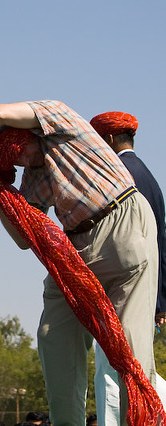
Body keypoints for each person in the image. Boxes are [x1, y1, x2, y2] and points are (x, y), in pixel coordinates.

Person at [0, 100, 158, 424]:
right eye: (15, 160)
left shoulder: (59, 119)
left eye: (21, 148)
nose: (25, 159)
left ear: (26, 131)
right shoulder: (33, 176)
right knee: (52, 334)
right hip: (74, 249)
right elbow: (22, 239)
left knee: (130, 343)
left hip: (121, 223)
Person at [89, 111, 166, 423]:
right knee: (139, 362)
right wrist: (160, 300)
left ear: (107, 140)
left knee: (113, 367)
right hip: (147, 287)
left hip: (120, 283)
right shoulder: (148, 176)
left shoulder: (117, 175)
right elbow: (161, 240)